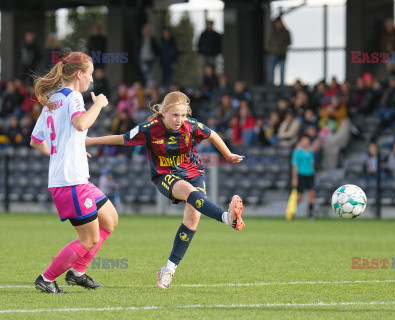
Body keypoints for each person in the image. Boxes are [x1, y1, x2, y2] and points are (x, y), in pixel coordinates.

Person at [86, 91, 246, 289]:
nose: (179, 120)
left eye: (183, 115)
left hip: (194, 171)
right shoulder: (149, 128)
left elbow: (212, 134)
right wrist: (90, 140)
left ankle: (168, 269)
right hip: (165, 175)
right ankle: (226, 217)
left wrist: (228, 154)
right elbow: (122, 138)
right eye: (174, 115)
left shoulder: (191, 125)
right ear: (163, 112)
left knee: (192, 219)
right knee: (189, 192)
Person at [30, 52, 118, 293]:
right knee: (88, 238)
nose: (91, 80)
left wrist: (66, 153)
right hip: (71, 181)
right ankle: (46, 279)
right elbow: (80, 123)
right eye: (89, 74)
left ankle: (77, 272)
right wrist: (99, 103)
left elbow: (36, 141)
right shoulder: (74, 97)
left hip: (73, 177)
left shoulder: (53, 98)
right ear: (79, 74)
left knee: (110, 220)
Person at [291, 134, 321, 220]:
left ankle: (311, 214)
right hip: (301, 175)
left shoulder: (311, 152)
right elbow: (294, 165)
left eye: (307, 140)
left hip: (310, 175)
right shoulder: (297, 152)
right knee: (300, 196)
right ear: (301, 141)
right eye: (304, 140)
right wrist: (294, 178)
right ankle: (292, 210)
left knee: (311, 195)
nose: (306, 142)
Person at [266, 16, 292, 86]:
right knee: (271, 70)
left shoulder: (286, 32)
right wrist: (271, 50)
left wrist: (283, 50)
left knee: (282, 71)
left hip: (282, 54)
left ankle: (282, 84)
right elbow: (269, 42)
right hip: (273, 54)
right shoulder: (273, 32)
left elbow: (289, 42)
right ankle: (271, 84)